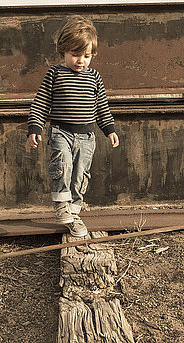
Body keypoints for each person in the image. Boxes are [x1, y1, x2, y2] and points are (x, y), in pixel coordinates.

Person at [27, 16, 119, 238]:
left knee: (80, 174)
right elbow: (40, 102)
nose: (81, 61)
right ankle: (61, 205)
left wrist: (110, 129)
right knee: (63, 164)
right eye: (75, 55)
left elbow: (102, 107)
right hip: (61, 132)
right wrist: (35, 128)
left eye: (86, 56)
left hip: (87, 136)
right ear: (63, 51)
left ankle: (74, 213)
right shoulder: (55, 74)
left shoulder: (94, 77)